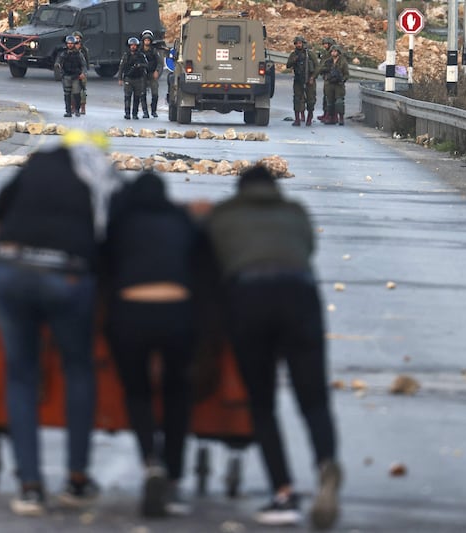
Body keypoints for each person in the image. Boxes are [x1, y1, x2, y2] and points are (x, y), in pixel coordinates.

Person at [0, 129, 123, 516]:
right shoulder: (102, 177)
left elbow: (0, 208)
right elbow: (113, 235)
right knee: (78, 368)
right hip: (66, 275)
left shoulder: (38, 165)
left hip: (13, 270)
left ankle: (30, 487)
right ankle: (76, 479)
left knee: (21, 376)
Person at [203, 164, 342, 530]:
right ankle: (326, 463)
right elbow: (307, 249)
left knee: (262, 404)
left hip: (250, 296)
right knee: (313, 398)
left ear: (240, 190)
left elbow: (210, 265)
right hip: (300, 295)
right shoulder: (294, 211)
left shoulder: (224, 215)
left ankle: (283, 492)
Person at [102, 171, 200, 518]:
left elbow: (105, 266)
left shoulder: (122, 222)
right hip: (176, 310)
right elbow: (201, 261)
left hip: (131, 312)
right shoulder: (180, 218)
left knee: (138, 391)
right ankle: (173, 474)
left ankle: (150, 462)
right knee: (177, 392)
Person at [286, 35, 319, 126]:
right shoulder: (294, 54)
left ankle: (309, 118)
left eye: (300, 43)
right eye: (297, 43)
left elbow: (317, 67)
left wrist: (313, 77)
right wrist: (294, 60)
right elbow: (288, 65)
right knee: (297, 99)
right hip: (298, 80)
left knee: (310, 100)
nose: (298, 45)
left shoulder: (310, 54)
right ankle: (297, 119)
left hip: (309, 79)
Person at [54, 35, 87, 117]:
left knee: (76, 94)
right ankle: (68, 111)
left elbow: (83, 65)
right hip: (66, 76)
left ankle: (77, 110)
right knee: (67, 94)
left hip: (76, 76)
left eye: (71, 43)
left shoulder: (79, 54)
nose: (70, 45)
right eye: (68, 43)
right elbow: (58, 61)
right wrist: (58, 65)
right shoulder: (63, 53)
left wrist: (83, 73)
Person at [118, 37, 149, 120]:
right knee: (127, 96)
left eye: (135, 45)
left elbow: (147, 65)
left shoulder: (141, 55)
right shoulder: (126, 55)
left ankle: (135, 114)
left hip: (138, 79)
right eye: (131, 45)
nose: (133, 47)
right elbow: (121, 67)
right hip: (128, 78)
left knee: (137, 97)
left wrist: (140, 65)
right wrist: (120, 78)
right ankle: (127, 113)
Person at [322, 45, 349, 125]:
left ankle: (341, 118)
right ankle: (330, 118)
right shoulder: (328, 61)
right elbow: (322, 70)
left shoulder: (343, 62)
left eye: (335, 51)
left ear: (338, 52)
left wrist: (342, 80)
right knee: (329, 102)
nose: (333, 53)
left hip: (338, 85)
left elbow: (346, 74)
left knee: (339, 102)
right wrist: (326, 76)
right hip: (329, 84)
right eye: (332, 51)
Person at [139, 29, 164, 118]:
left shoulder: (154, 51)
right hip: (142, 74)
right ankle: (145, 112)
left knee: (155, 93)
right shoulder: (139, 51)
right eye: (145, 40)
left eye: (148, 40)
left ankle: (153, 111)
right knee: (142, 94)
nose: (147, 42)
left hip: (152, 73)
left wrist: (157, 71)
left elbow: (160, 62)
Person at [316, 37, 336, 122]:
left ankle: (331, 116)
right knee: (326, 97)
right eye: (324, 44)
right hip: (326, 77)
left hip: (331, 78)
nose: (325, 46)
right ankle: (326, 114)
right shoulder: (326, 54)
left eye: (326, 44)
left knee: (331, 98)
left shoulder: (333, 54)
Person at [73, 31, 90, 115]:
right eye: (75, 38)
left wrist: (84, 73)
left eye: (78, 38)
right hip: (72, 72)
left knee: (82, 90)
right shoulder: (69, 50)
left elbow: (86, 62)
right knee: (72, 90)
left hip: (82, 72)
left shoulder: (84, 50)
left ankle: (82, 107)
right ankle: (73, 107)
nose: (77, 40)